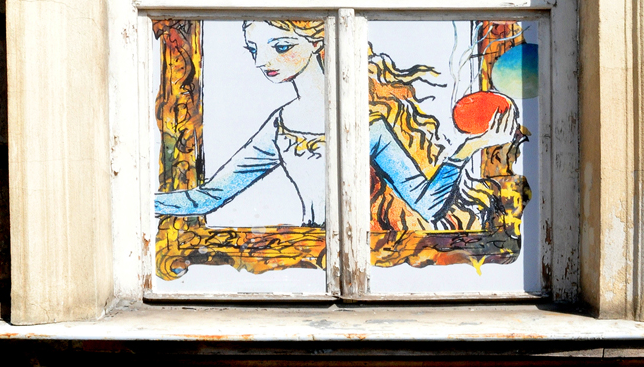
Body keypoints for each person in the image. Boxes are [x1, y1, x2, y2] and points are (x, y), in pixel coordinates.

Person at [154, 19, 517, 229]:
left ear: (316, 41)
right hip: (309, 254)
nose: (262, 61)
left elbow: (427, 206)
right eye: (254, 50)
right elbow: (208, 197)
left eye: (280, 47)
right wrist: (134, 203)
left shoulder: (367, 124)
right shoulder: (281, 125)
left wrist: (466, 150)